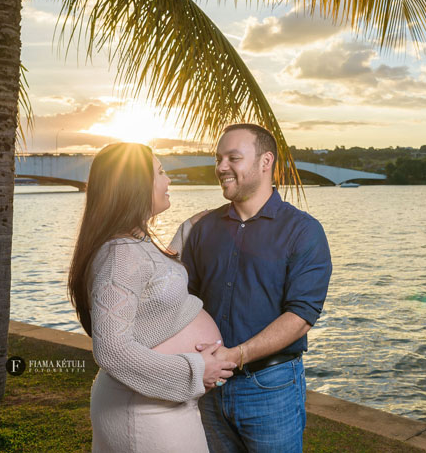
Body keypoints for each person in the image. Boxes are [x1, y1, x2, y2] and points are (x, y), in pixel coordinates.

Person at [67, 142, 236, 453]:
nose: (168, 180)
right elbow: (112, 351)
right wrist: (196, 369)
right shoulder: (120, 254)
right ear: (135, 185)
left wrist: (189, 229)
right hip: (144, 412)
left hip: (158, 404)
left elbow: (156, 278)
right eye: (160, 172)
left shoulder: (132, 242)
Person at [181, 124, 333, 452]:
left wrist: (237, 355)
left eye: (233, 157)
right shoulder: (202, 229)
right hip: (209, 386)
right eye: (219, 158)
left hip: (271, 388)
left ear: (265, 162)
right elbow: (184, 303)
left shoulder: (303, 231)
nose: (221, 167)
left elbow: (302, 315)